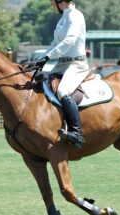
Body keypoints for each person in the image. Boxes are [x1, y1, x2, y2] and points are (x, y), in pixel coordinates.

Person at [27, 0, 88, 149]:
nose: (50, 4)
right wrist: (40, 60)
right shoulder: (63, 19)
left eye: (51, 2)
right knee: (40, 82)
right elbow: (55, 44)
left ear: (59, 1)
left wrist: (48, 57)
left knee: (62, 91)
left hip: (76, 64)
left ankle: (77, 133)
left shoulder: (75, 16)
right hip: (61, 64)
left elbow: (69, 41)